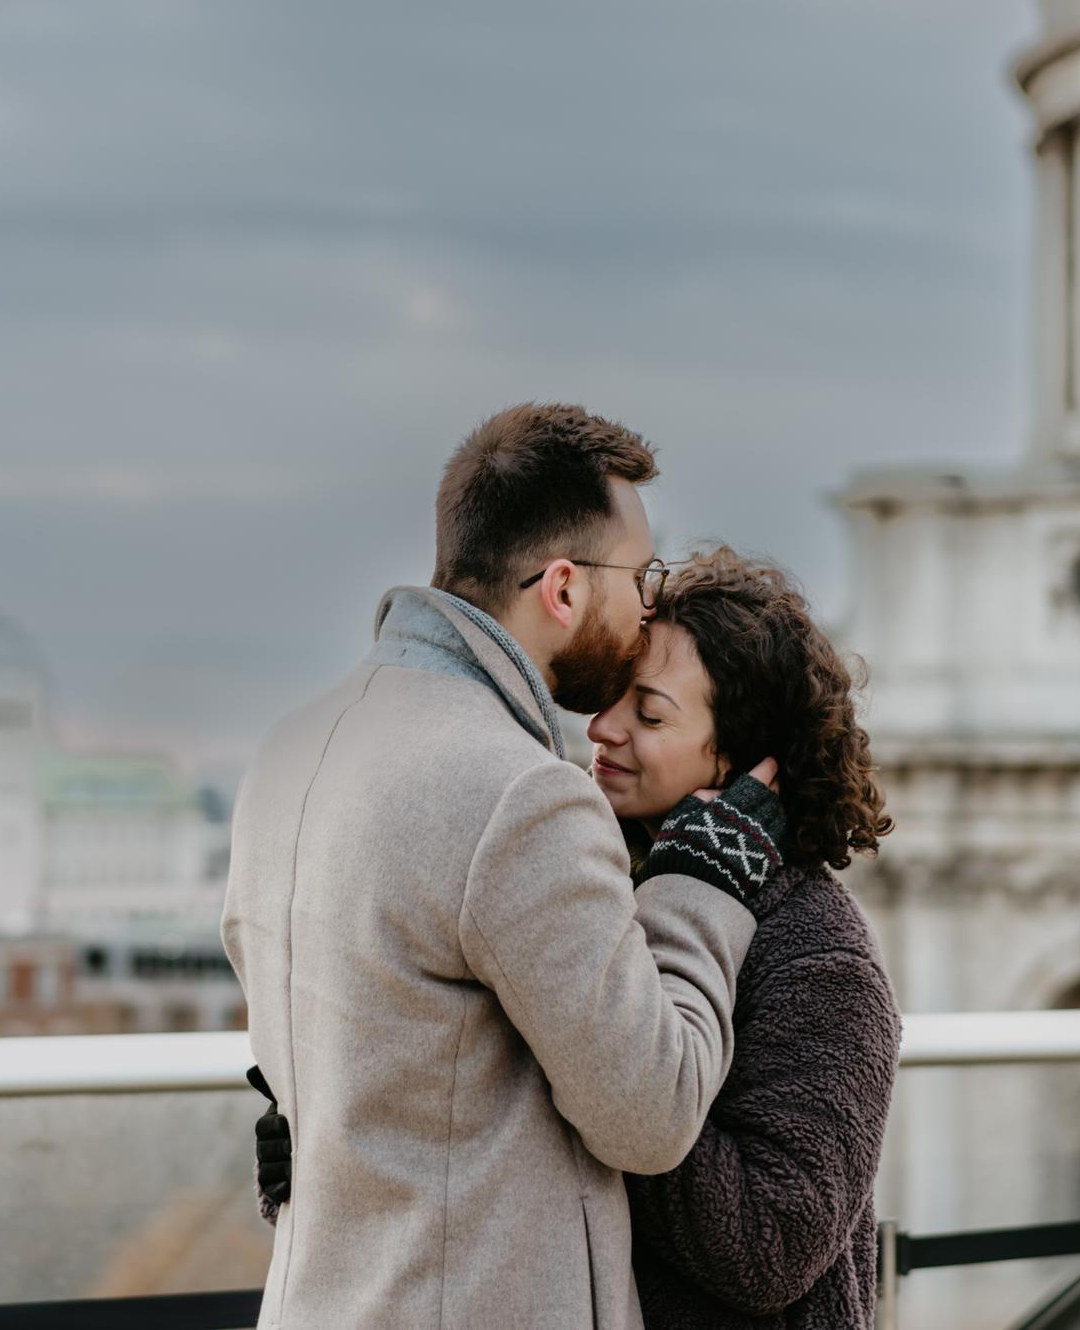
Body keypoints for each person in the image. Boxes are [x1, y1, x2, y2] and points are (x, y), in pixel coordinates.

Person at [222, 404, 788, 1329]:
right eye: (640, 577)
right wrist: (701, 880)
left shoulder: (289, 748)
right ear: (562, 587)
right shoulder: (520, 793)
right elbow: (652, 1114)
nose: (648, 606)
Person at [589, 548, 900, 1329]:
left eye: (649, 714)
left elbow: (773, 1243)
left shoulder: (818, 953)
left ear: (738, 755)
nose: (601, 727)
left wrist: (600, 1071)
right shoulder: (604, 890)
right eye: (609, 696)